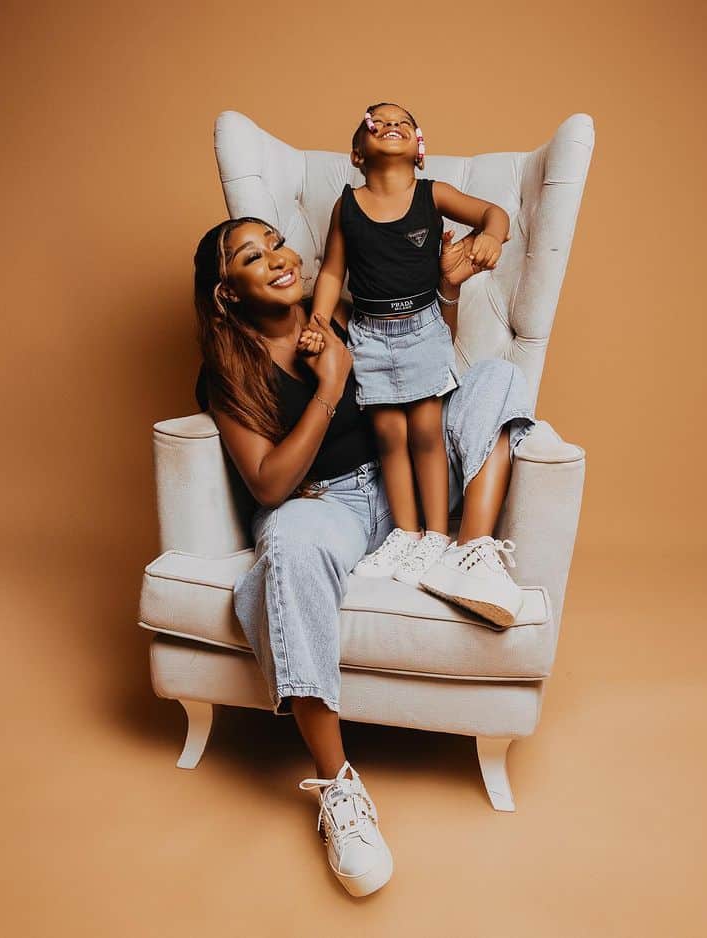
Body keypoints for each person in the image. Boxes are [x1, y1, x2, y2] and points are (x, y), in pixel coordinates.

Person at [193, 215, 535, 897]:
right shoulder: (228, 372)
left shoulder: (343, 314)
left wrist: (445, 290)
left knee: (497, 377)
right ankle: (339, 789)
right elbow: (267, 484)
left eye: (277, 243)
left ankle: (470, 554)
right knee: (289, 545)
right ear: (228, 291)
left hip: (405, 479)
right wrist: (329, 387)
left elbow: (425, 372)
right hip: (326, 505)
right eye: (253, 257)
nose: (278, 259)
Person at [303, 102, 514, 594]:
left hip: (422, 328)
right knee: (389, 434)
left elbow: (494, 212)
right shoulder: (346, 206)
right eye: (376, 121)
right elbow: (333, 271)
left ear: (419, 149)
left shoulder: (432, 193)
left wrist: (492, 235)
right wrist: (319, 319)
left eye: (402, 121)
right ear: (358, 153)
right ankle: (406, 532)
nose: (391, 124)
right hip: (369, 333)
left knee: (424, 430)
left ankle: (437, 534)